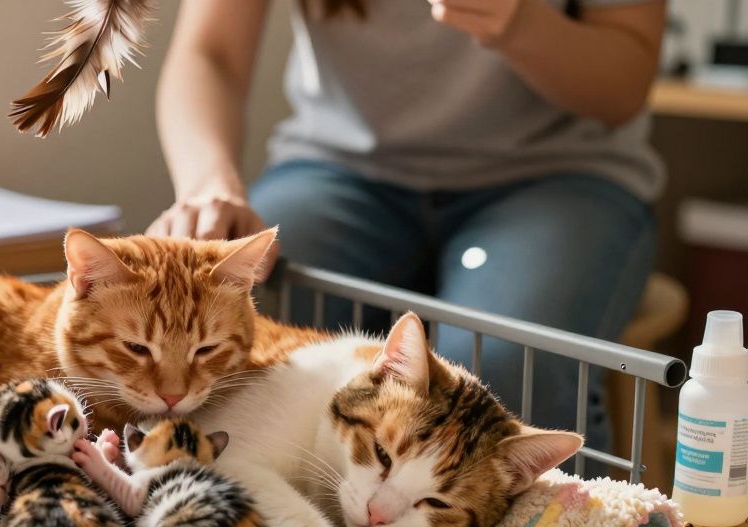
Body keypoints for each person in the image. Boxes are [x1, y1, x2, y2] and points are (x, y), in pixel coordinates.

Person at [149, 0, 665, 450]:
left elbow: (625, 87)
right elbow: (210, 52)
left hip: (558, 179)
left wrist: (520, 23)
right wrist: (207, 184)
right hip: (340, 170)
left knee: (500, 372)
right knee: (233, 319)